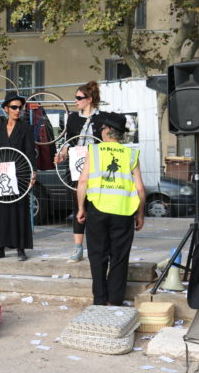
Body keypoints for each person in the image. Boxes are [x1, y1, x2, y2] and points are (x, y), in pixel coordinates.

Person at [76, 112, 145, 306]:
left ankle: (99, 299)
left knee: (97, 255)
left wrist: (81, 208)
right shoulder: (132, 154)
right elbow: (139, 188)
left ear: (106, 131)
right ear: (121, 134)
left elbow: (83, 181)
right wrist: (140, 214)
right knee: (119, 257)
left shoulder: (94, 150)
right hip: (124, 212)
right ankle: (115, 300)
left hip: (98, 209)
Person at [54, 80, 109, 263]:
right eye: (75, 98)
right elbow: (69, 141)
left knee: (97, 207)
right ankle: (78, 248)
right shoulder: (73, 118)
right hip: (76, 166)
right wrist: (61, 154)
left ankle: (98, 247)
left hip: (96, 167)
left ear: (89, 99)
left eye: (79, 98)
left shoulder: (103, 118)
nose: (76, 101)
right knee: (78, 206)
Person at [0, 92, 37, 261]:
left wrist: (33, 172)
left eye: (20, 107)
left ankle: (20, 248)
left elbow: (30, 152)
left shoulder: (26, 128)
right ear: (6, 109)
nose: (17, 110)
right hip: (1, 173)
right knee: (0, 211)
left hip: (19, 174)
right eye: (14, 107)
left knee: (20, 209)